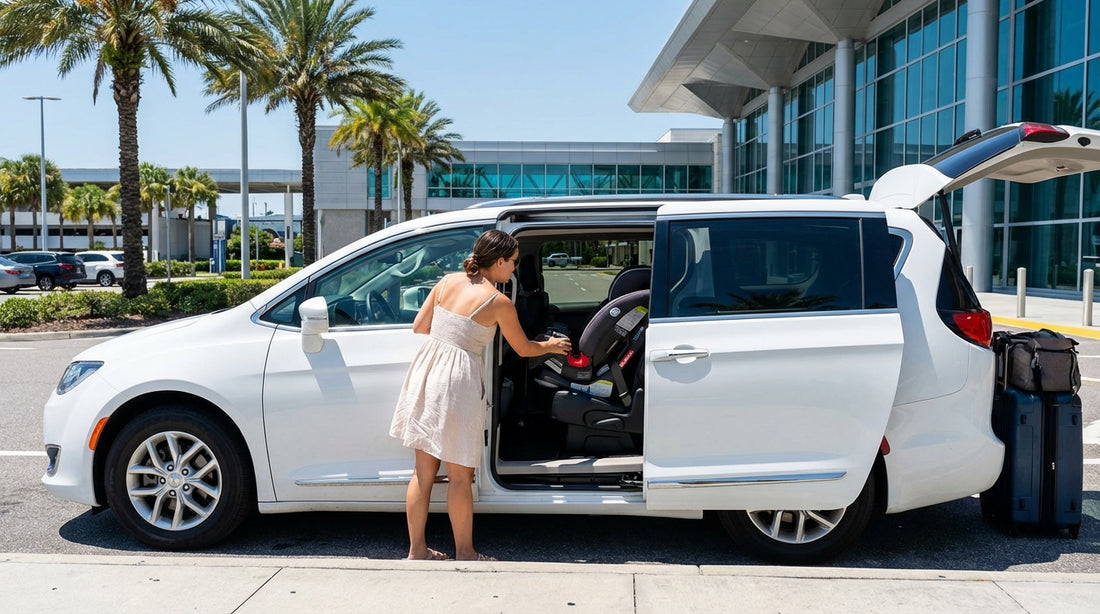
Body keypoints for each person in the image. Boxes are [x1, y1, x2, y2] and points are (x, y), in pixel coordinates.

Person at [389, 230, 571, 561]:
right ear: (499, 261)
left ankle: (417, 551)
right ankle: (465, 552)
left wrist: (452, 335)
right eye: (513, 263)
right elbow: (524, 348)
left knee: (423, 473)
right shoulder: (498, 302)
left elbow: (419, 325)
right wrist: (552, 346)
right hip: (458, 381)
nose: (514, 269)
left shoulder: (446, 283)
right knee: (460, 478)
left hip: (427, 372)